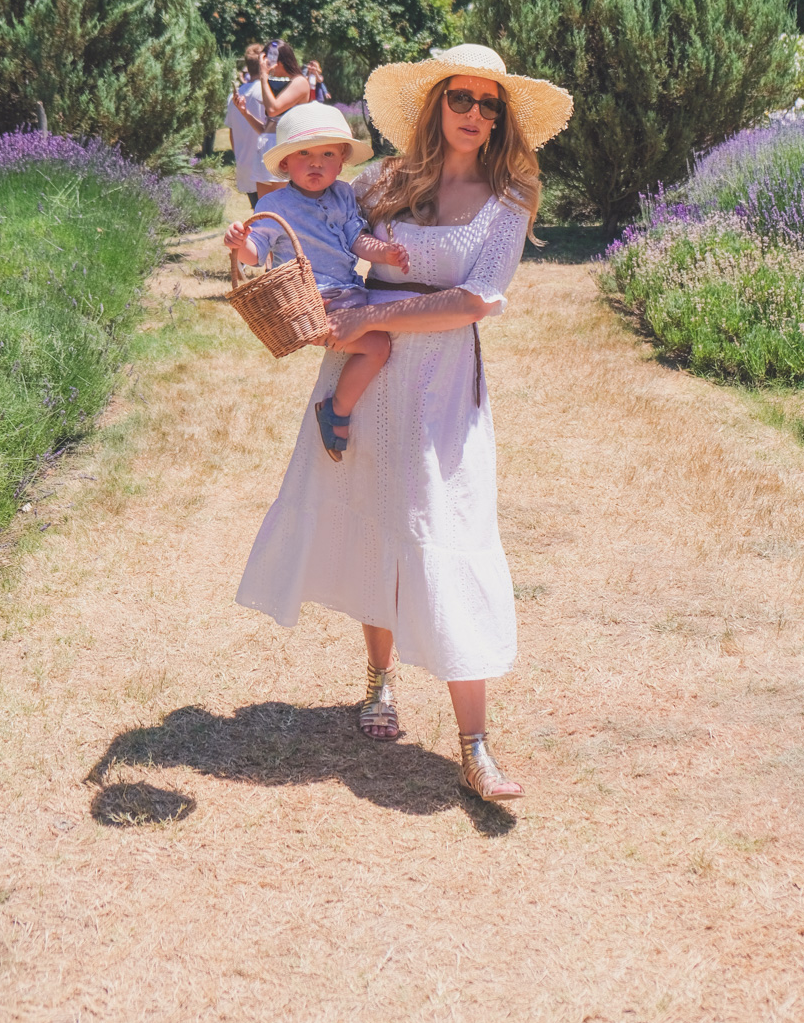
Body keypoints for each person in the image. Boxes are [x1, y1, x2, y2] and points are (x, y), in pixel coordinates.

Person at [235, 44, 572, 801]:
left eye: (491, 105)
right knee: (375, 522)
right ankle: (378, 682)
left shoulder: (509, 196)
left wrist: (371, 310)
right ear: (436, 104)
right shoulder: (384, 180)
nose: (477, 116)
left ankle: (476, 744)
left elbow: (473, 300)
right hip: (365, 371)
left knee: (451, 532)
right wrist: (288, 279)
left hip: (441, 384)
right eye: (464, 100)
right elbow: (310, 216)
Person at [223, 104, 411, 460]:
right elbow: (255, 251)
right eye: (304, 154)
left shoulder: (343, 194)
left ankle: (394, 415)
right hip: (312, 304)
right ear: (284, 164)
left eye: (328, 154)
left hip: (349, 293)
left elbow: (356, 238)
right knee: (377, 346)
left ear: (341, 163)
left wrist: (383, 253)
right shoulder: (275, 204)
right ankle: (336, 410)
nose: (316, 163)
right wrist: (239, 243)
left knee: (400, 321)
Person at [252, 43, 315, 199]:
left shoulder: (300, 82)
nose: (265, 65)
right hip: (268, 147)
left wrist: (263, 77)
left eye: (267, 60)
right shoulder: (282, 83)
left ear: (277, 61)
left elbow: (273, 109)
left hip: (285, 149)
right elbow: (269, 125)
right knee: (264, 208)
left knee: (285, 205)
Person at [224, 45, 267, 209]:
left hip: (245, 166)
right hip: (266, 168)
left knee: (258, 217)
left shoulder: (234, 97)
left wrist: (240, 157)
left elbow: (231, 134)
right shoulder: (266, 93)